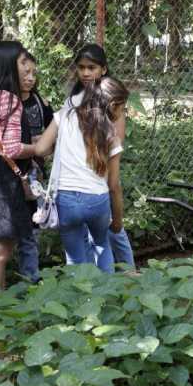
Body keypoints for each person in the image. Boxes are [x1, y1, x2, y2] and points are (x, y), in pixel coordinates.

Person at [32, 75, 128, 273]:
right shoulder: (111, 135)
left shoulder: (64, 115)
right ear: (112, 105)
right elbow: (114, 186)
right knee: (102, 246)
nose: (122, 112)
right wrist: (118, 220)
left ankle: (80, 299)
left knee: (75, 258)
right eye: (122, 107)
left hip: (66, 200)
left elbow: (40, 149)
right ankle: (106, 296)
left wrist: (59, 145)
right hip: (98, 200)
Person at [0, 51, 52, 291]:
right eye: (22, 63)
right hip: (3, 177)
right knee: (0, 248)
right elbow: (11, 147)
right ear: (7, 65)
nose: (29, 73)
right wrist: (38, 147)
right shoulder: (8, 99)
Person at [68, 44, 136, 269]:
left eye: (92, 67)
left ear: (104, 69)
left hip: (104, 171)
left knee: (115, 229)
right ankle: (96, 281)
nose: (86, 73)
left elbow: (116, 140)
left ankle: (130, 272)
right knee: (91, 236)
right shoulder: (76, 97)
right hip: (82, 176)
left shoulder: (111, 96)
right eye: (81, 68)